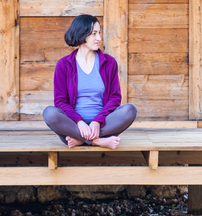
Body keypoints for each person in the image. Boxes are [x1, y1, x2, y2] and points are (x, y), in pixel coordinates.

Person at [43, 14, 137, 149]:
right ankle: (98, 141)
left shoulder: (109, 62)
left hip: (104, 124)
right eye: (94, 34)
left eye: (99, 33)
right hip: (73, 126)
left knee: (130, 110)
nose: (99, 38)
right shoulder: (63, 65)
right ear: (81, 35)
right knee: (49, 113)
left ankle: (81, 140)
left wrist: (97, 122)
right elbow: (60, 101)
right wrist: (79, 122)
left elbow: (115, 98)